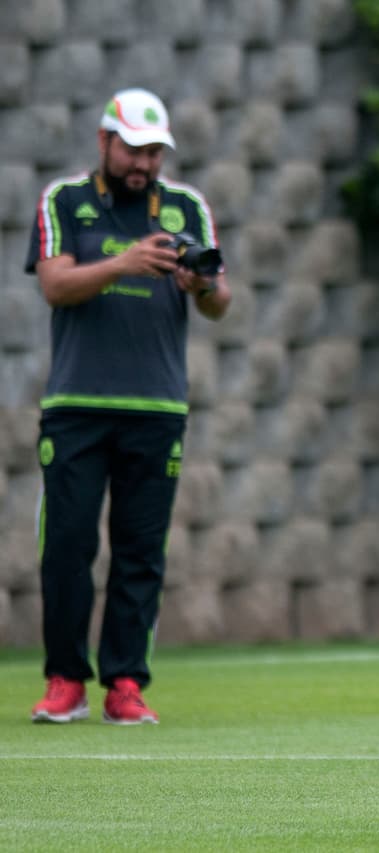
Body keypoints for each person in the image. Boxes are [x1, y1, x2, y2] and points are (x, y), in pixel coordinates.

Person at [26, 87, 230, 725]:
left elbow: (221, 302)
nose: (143, 164)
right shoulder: (65, 201)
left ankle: (125, 683)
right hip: (76, 405)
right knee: (67, 546)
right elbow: (55, 285)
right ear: (104, 142)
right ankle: (65, 679)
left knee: (141, 551)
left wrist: (201, 284)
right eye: (133, 150)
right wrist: (125, 262)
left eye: (154, 153)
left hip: (157, 408)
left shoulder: (187, 207)